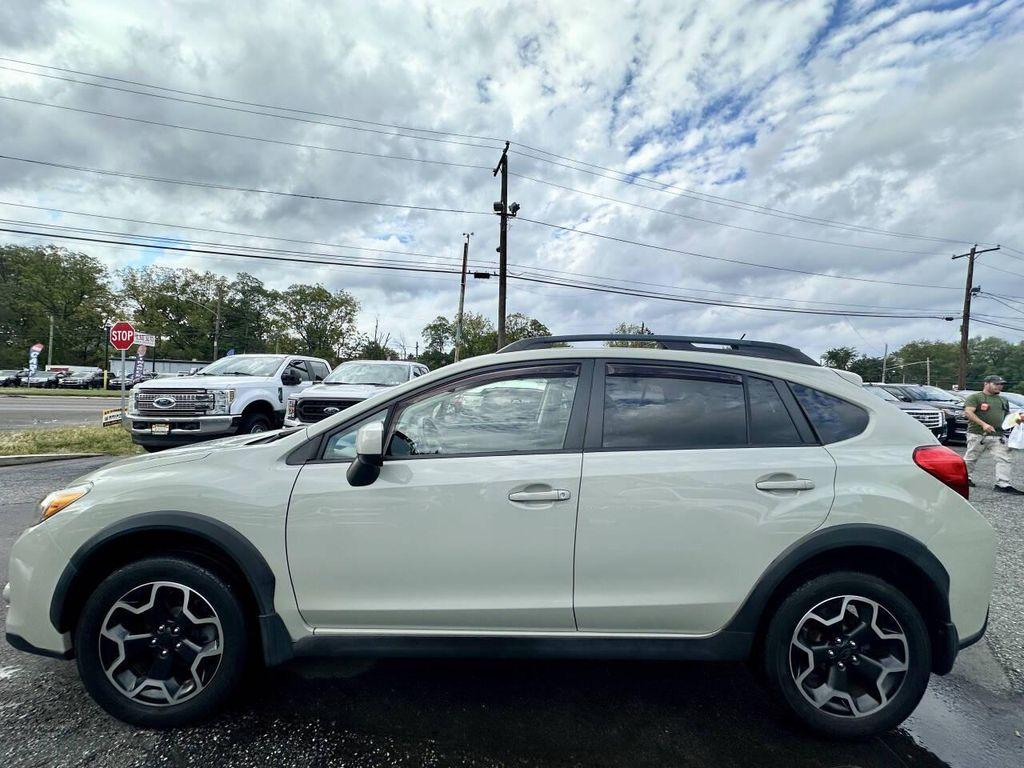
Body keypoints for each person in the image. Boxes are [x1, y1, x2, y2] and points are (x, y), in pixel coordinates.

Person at [963, 375, 1023, 493]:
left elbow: (1007, 418)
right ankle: (965, 478)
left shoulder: (1003, 400)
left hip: (998, 435)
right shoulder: (975, 397)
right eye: (996, 384)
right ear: (986, 383)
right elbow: (968, 412)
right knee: (971, 458)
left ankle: (1003, 484)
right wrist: (983, 424)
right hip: (978, 434)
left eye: (1001, 384)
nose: (999, 386)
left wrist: (1018, 419)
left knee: (1004, 458)